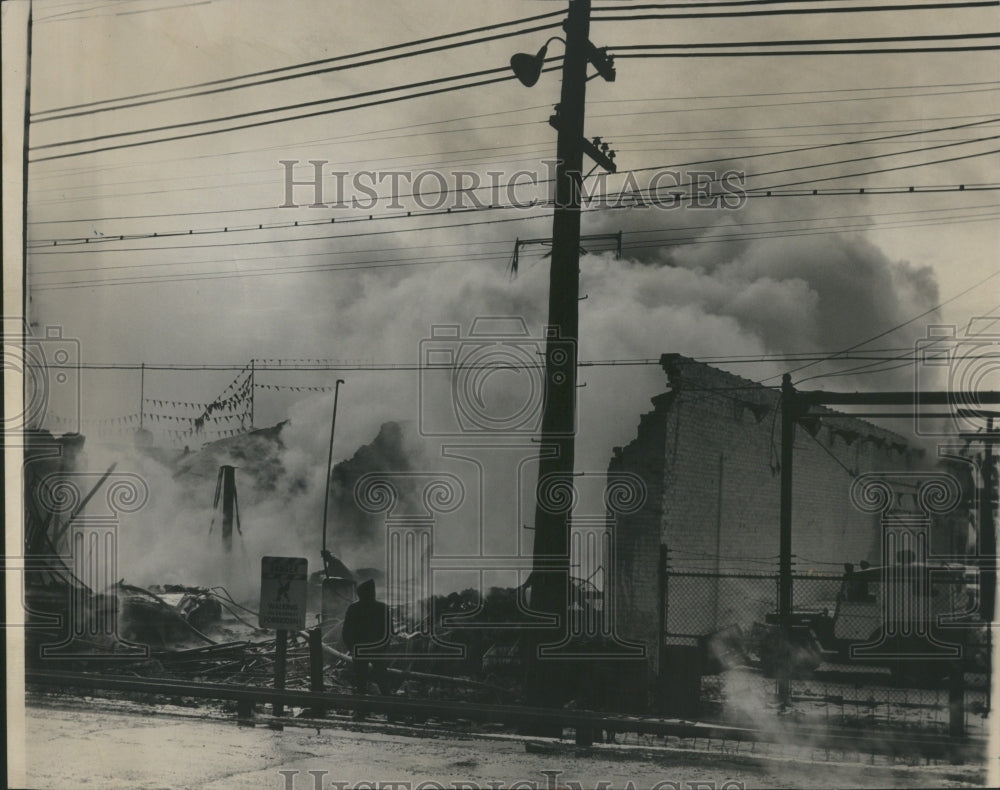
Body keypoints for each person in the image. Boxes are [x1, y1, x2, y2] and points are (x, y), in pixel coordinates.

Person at [342, 579, 391, 704]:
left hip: (361, 650)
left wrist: (352, 648)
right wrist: (383, 648)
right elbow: (389, 631)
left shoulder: (354, 608)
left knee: (361, 682)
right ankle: (391, 711)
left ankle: (362, 710)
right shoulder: (382, 607)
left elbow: (346, 632)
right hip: (376, 650)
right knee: (382, 680)